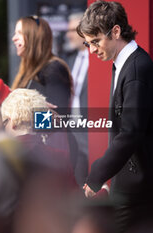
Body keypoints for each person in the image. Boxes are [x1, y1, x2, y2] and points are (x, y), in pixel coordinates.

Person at [77, 1, 153, 231]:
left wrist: (98, 174)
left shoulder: (136, 69)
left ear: (116, 31)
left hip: (146, 188)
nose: (92, 49)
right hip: (139, 184)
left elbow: (130, 133)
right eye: (88, 43)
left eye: (96, 41)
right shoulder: (126, 64)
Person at [11, 15, 72, 115]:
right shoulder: (27, 71)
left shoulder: (54, 69)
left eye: (20, 33)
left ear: (35, 37)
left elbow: (58, 117)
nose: (14, 38)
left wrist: (26, 124)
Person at [64, 12, 89, 187]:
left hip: (92, 127)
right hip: (70, 127)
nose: (69, 34)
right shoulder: (69, 60)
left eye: (73, 30)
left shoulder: (98, 59)